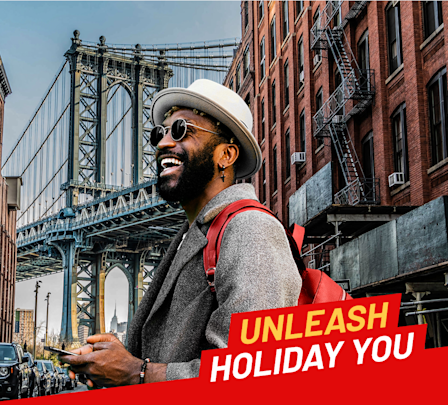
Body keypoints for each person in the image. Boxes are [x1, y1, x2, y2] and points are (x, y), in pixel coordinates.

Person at [61, 79, 301, 387]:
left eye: (181, 131)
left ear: (225, 156)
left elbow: (252, 372)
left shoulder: (250, 230)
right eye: (159, 133)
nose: (161, 144)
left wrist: (137, 372)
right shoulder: (192, 234)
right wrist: (110, 363)